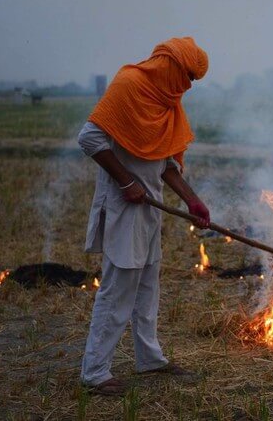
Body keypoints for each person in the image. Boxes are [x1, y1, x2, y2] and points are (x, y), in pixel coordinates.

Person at [78, 37, 211, 396]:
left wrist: (192, 202)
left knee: (147, 288)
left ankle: (149, 359)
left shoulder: (168, 102)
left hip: (150, 208)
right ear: (169, 65)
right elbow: (89, 137)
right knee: (118, 289)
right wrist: (125, 181)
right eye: (187, 76)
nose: (188, 86)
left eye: (193, 81)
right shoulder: (128, 86)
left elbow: (166, 164)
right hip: (125, 207)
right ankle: (95, 373)